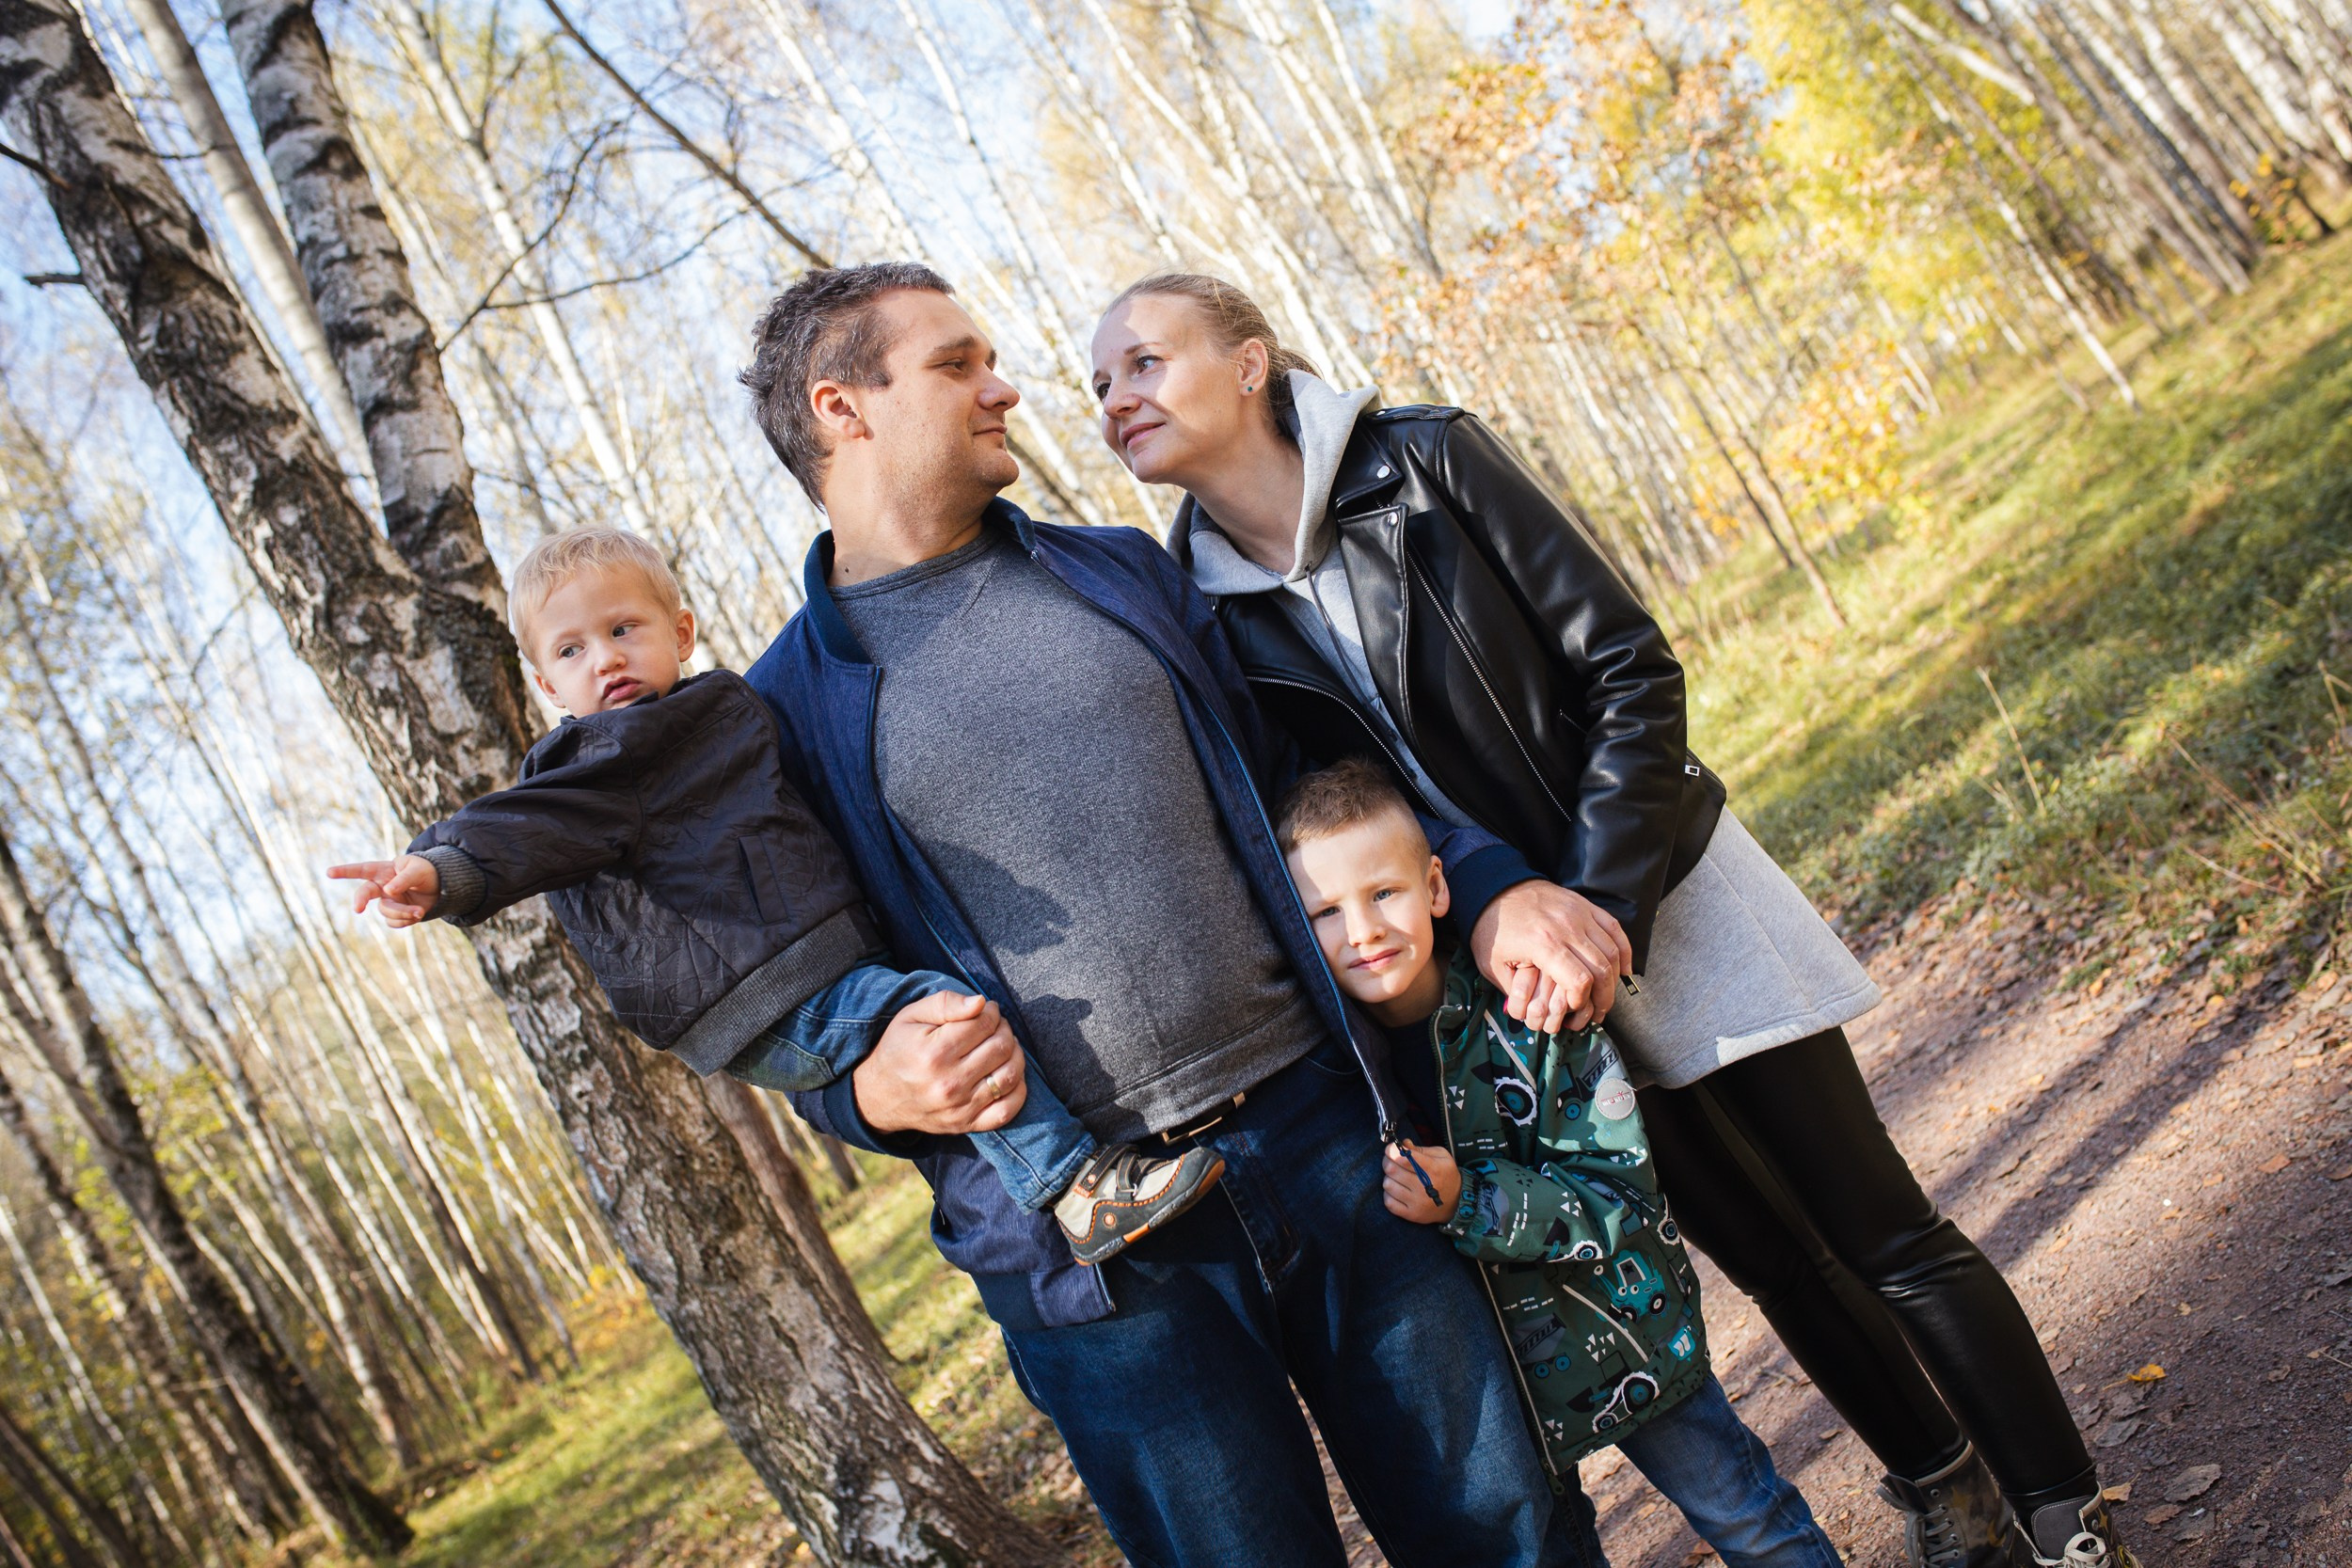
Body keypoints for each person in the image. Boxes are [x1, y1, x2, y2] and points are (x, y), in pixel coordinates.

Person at [1091, 272, 2137, 1568]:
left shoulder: (1425, 461)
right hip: (1520, 989)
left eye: (1142, 362)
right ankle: (1946, 1487)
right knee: (1774, 1260)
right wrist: (1497, 932)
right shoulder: (1214, 619)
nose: (1115, 399)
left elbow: (1631, 667)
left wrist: (1599, 899)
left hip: (1667, 889)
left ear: (1249, 363)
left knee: (1878, 1227)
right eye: (1099, 386)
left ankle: (2065, 1514)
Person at [737, 261, 1608, 1568]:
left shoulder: (1124, 573)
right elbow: (789, 1006)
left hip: (1331, 1134)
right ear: (842, 407)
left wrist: (1484, 883)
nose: (1007, 385)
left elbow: (1320, 769)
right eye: (957, 362)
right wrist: (869, 1092)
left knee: (1516, 1532)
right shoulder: (780, 718)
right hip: (1097, 1255)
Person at [327, 526, 1224, 1264]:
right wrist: (443, 869)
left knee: (934, 1012)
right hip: (757, 990)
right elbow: (526, 824)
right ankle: (1077, 1187)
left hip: (804, 962)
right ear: (544, 683)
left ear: (680, 630)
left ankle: (1070, 1179)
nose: (605, 659)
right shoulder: (596, 761)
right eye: (572, 649)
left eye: (624, 629)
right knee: (943, 1016)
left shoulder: (714, 710)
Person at [1280, 757, 1840, 1568]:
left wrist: (1466, 1199)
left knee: (1745, 1511)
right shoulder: (1338, 1077)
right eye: (1326, 911)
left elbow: (1616, 1196)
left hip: (1622, 1340)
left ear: (1437, 887)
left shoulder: (1530, 1012)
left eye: (1384, 893)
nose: (1362, 930)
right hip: (1496, 1389)